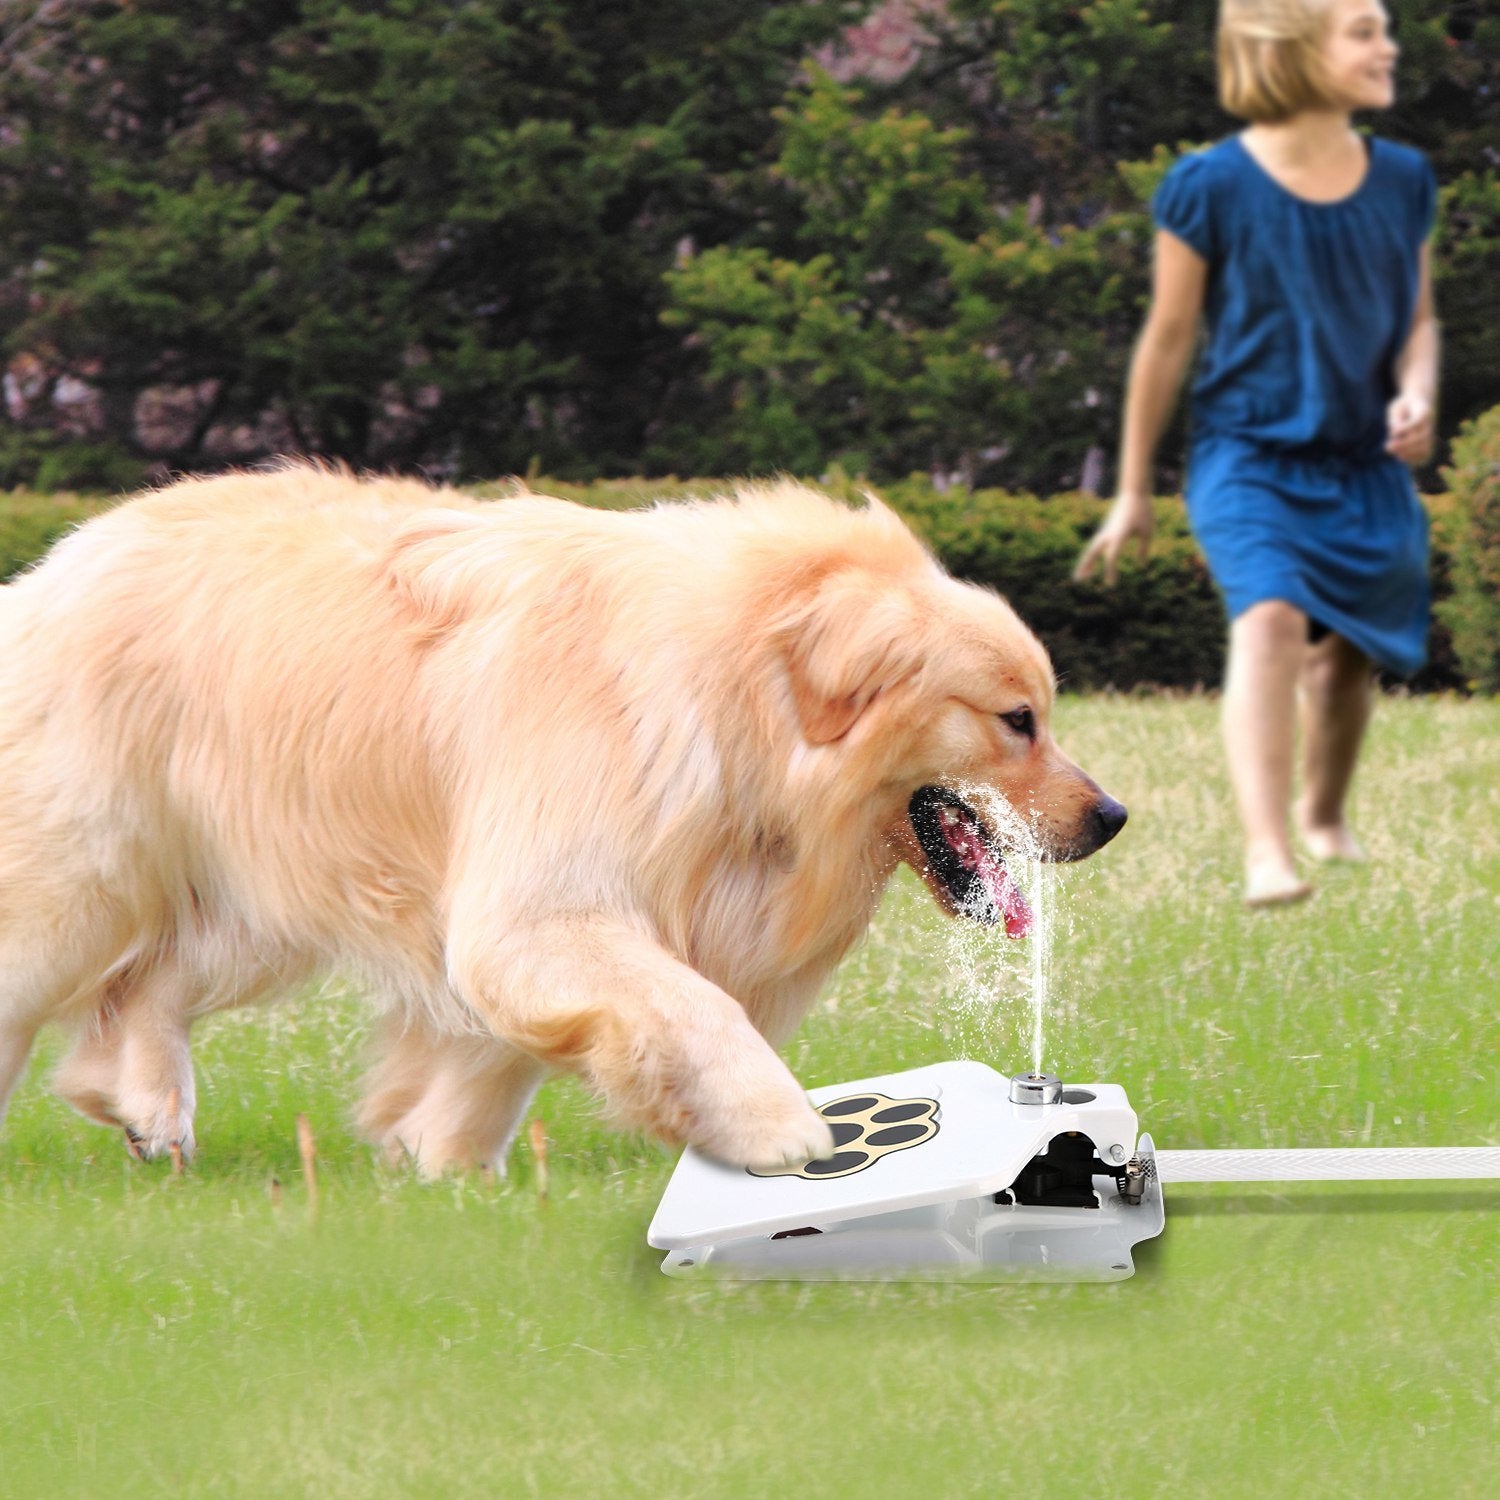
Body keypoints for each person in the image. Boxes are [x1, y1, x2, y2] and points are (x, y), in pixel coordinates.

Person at [1075, 0, 1439, 907]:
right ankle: (1267, 851)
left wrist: (1418, 389)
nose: (1386, 46)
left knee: (1348, 657)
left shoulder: (1403, 179)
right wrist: (1131, 489)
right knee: (1270, 619)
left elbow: (1422, 320)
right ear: (1294, 49)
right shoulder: (1209, 187)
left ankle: (1322, 812)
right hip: (1249, 457)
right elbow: (1166, 339)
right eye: (1363, 30)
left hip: (1363, 463)